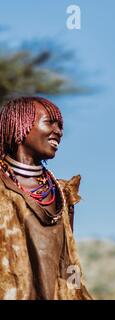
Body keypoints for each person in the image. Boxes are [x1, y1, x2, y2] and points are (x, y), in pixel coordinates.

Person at [0, 96, 91, 300]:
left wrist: (75, 294)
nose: (58, 131)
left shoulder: (62, 193)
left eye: (60, 126)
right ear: (20, 124)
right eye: (49, 122)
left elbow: (69, 260)